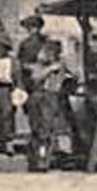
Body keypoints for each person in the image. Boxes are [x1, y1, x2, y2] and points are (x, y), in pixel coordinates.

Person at [24, 36, 69, 172]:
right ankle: (36, 159)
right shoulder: (42, 67)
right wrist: (48, 69)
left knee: (46, 130)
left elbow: (63, 80)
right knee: (37, 129)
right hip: (38, 97)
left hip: (50, 97)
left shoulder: (59, 66)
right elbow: (35, 77)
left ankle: (43, 159)